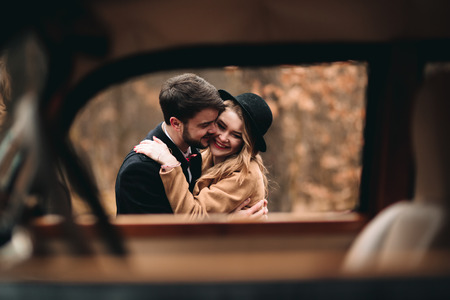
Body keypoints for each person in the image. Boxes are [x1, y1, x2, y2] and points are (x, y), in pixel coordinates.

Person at [115, 74, 267, 216]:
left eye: (236, 135)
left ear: (246, 142)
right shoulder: (139, 170)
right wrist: (230, 225)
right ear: (176, 124)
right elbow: (153, 239)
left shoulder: (198, 153)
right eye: (211, 124)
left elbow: (196, 215)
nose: (216, 133)